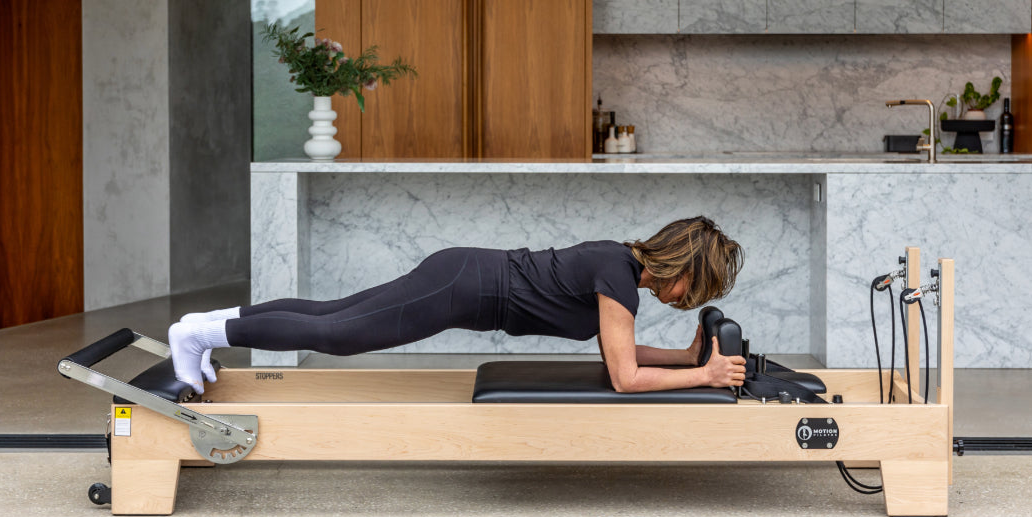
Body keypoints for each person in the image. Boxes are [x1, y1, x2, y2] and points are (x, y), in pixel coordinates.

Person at [168, 216, 747, 396]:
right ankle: (199, 335)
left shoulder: (620, 275)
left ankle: (205, 326)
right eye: (696, 288)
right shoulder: (618, 276)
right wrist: (704, 373)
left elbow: (618, 352)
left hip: (463, 276)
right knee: (341, 333)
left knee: (332, 313)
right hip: (463, 285)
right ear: (682, 267)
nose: (689, 300)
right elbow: (623, 377)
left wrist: (683, 357)